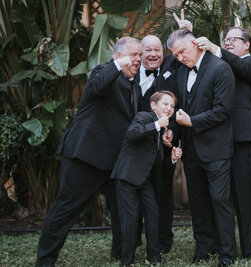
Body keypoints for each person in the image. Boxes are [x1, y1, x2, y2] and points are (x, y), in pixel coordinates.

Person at [36, 37, 142, 266]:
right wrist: (116, 64)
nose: (139, 60)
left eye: (140, 56)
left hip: (113, 162)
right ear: (118, 56)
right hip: (85, 156)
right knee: (66, 208)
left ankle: (121, 255)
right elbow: (97, 87)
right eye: (134, 55)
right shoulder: (102, 72)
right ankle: (45, 260)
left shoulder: (134, 85)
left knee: (123, 209)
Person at [167, 29, 236, 267]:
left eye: (182, 51)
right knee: (197, 201)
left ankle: (227, 254)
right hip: (191, 149)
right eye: (175, 55)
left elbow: (223, 111)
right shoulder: (181, 72)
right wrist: (173, 134)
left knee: (219, 199)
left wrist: (193, 121)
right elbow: (179, 112)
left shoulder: (221, 68)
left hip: (217, 149)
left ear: (196, 44)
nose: (179, 58)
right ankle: (203, 248)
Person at [194, 27, 251, 259]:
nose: (228, 43)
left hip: (241, 138)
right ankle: (219, 244)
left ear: (247, 45)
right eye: (226, 40)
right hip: (215, 138)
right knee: (217, 196)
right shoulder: (215, 64)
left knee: (244, 195)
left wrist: (215, 47)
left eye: (233, 39)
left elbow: (241, 67)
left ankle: (247, 248)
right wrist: (190, 34)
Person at [111, 90, 182, 267]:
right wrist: (157, 125)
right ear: (153, 105)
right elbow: (132, 133)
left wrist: (172, 157)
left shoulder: (163, 131)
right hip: (127, 177)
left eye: (172, 106)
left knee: (153, 215)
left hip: (145, 181)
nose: (169, 108)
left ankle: (154, 256)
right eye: (165, 104)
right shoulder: (144, 117)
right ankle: (127, 261)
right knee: (130, 218)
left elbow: (155, 162)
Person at [135, 35, 181, 253]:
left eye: (157, 50)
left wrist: (171, 131)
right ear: (140, 54)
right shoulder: (130, 74)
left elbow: (180, 108)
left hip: (164, 145)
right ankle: (133, 240)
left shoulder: (172, 72)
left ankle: (163, 242)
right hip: (136, 146)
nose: (153, 54)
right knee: (134, 195)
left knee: (163, 195)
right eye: (147, 51)